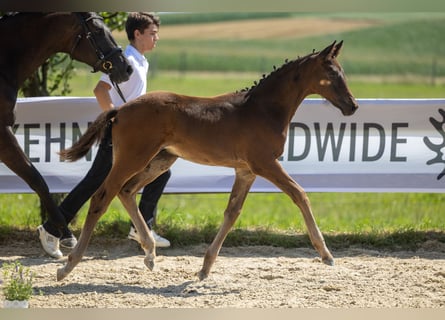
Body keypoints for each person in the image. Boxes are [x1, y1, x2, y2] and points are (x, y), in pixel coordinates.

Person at [38, 12, 171, 259]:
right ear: (137, 34)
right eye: (152, 33)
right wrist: (116, 118)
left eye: (156, 33)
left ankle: (140, 226)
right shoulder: (126, 59)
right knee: (95, 181)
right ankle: (51, 229)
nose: (157, 38)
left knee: (162, 170)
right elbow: (100, 90)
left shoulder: (141, 60)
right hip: (122, 132)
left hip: (137, 135)